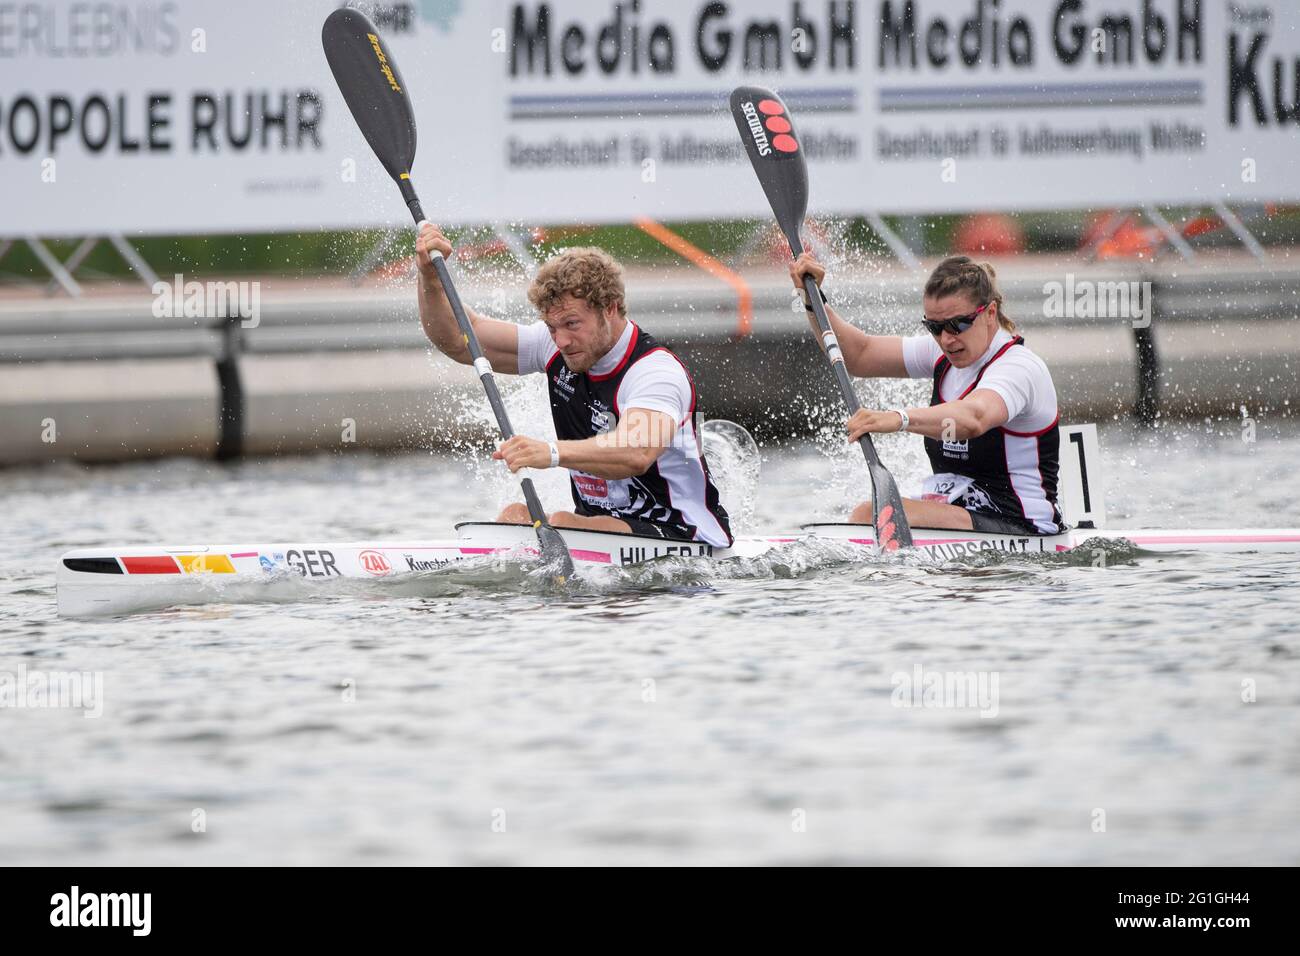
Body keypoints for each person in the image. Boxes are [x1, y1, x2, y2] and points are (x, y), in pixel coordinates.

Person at [415, 224, 732, 547]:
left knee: (563, 523)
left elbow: (636, 451)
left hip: (683, 535)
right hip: (599, 530)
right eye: (552, 327)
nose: (562, 341)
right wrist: (429, 277)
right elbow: (458, 339)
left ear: (610, 308)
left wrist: (550, 452)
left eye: (572, 324)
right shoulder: (555, 346)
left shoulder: (654, 372)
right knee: (515, 515)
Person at [790, 252, 1063, 535]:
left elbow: (974, 418)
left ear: (990, 313)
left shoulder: (1018, 367)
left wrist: (899, 419)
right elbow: (859, 354)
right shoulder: (941, 353)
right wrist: (812, 299)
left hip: (1020, 524)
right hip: (964, 512)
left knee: (867, 514)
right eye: (934, 327)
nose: (946, 339)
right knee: (870, 514)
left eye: (958, 324)